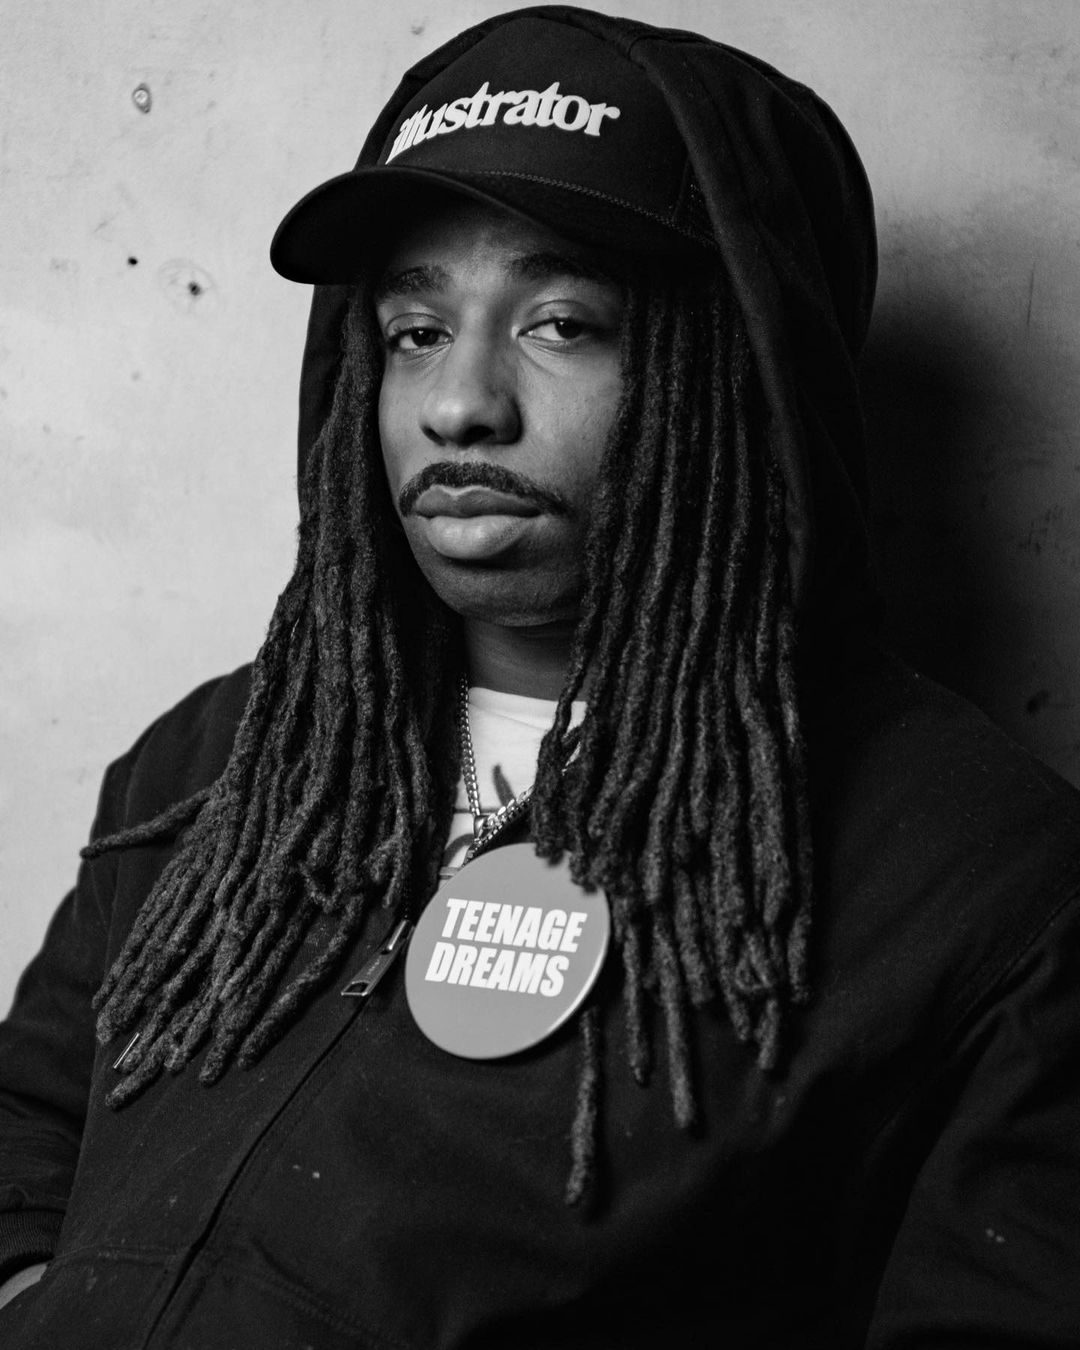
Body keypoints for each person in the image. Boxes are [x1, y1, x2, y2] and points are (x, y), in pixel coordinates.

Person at [2, 6, 1079, 1346]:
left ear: (738, 373)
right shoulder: (217, 763)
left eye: (562, 323)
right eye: (413, 330)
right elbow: (27, 1121)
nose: (459, 402)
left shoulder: (984, 883)